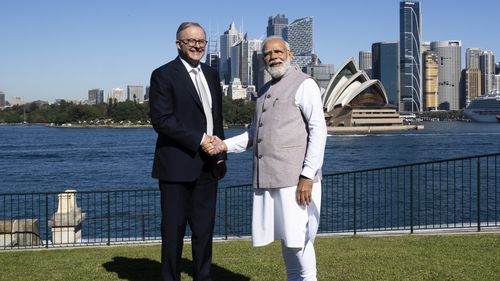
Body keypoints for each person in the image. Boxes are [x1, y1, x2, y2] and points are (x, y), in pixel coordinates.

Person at [204, 36, 327, 281]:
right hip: (270, 179)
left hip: (296, 181)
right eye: (268, 53)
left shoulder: (305, 84)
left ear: (289, 54)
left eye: (278, 51)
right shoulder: (263, 91)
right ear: (262, 59)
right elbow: (254, 134)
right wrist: (223, 145)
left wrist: (307, 175)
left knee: (300, 241)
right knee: (288, 242)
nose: (274, 57)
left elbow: (318, 131)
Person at [149, 22, 226, 281]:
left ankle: (203, 277)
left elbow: (217, 118)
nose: (196, 45)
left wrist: (220, 154)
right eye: (190, 41)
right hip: (176, 167)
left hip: (209, 166)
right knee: (173, 231)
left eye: (201, 41)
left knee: (204, 231)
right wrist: (200, 139)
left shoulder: (212, 74)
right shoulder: (163, 74)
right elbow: (162, 120)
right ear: (178, 44)